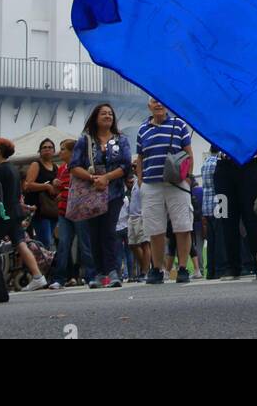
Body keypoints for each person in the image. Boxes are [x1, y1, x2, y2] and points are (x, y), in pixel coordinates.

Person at [70, 103, 132, 287]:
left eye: (110, 114)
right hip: (91, 193)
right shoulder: (85, 140)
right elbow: (73, 165)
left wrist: (106, 178)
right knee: (94, 233)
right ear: (95, 117)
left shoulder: (121, 140)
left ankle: (112, 271)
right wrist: (92, 178)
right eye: (103, 113)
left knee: (109, 231)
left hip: (114, 192)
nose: (108, 116)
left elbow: (126, 165)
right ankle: (97, 272)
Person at [136, 96, 194, 284]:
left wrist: (187, 178)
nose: (159, 104)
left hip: (176, 183)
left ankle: (183, 268)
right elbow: (140, 158)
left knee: (183, 226)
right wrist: (140, 181)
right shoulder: (142, 129)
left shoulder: (179, 125)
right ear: (149, 106)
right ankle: (157, 268)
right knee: (155, 228)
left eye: (161, 100)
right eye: (154, 101)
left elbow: (188, 152)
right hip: (151, 184)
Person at [0, 138, 47, 290]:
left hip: (4, 214)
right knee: (21, 244)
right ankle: (38, 276)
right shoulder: (13, 169)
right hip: (15, 212)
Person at [211, 139, 257, 280]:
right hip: (223, 166)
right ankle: (230, 266)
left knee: (254, 218)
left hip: (252, 164)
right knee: (225, 219)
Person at [49, 136, 93, 288]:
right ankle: (60, 278)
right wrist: (55, 185)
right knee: (63, 245)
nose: (59, 152)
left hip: (79, 210)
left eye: (62, 149)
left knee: (84, 244)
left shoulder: (81, 167)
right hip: (63, 211)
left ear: (72, 152)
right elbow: (57, 191)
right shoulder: (61, 169)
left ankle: (90, 276)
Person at [23, 138, 60, 251]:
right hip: (39, 209)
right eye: (44, 147)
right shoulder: (36, 164)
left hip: (52, 209)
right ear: (40, 151)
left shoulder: (56, 167)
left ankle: (44, 264)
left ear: (54, 151)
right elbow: (28, 185)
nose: (47, 150)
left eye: (50, 147)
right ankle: (42, 265)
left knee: (49, 241)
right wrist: (47, 186)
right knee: (45, 241)